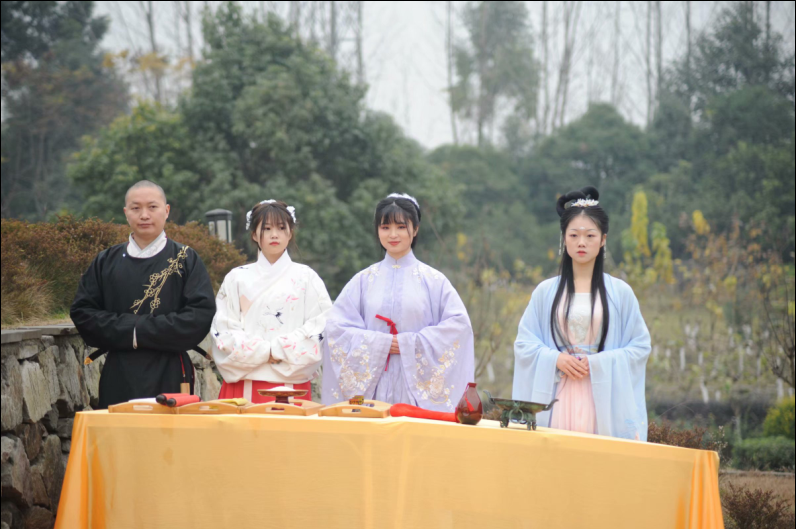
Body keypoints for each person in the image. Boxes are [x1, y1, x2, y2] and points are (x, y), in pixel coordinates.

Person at [512, 186, 651, 440]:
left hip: (603, 398)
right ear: (564, 238)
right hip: (557, 395)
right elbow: (524, 344)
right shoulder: (545, 292)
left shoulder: (620, 293)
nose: (582, 243)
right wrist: (554, 359)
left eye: (590, 235)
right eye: (574, 235)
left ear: (604, 239)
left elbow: (640, 347)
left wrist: (599, 363)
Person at [321, 193, 474, 411]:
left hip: (416, 390)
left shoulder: (435, 281)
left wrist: (408, 344)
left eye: (401, 227)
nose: (393, 234)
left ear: (416, 229)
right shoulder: (363, 280)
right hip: (372, 388)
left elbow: (459, 328)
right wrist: (379, 344)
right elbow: (336, 329)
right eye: (385, 227)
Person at [71, 180, 216, 409]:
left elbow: (200, 315)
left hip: (170, 368)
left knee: (169, 441)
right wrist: (134, 330)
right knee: (119, 440)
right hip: (119, 370)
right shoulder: (105, 261)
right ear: (126, 212)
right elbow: (83, 313)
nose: (144, 215)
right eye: (136, 208)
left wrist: (138, 330)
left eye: (152, 207)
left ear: (166, 211)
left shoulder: (186, 258)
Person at [210, 200, 332, 403]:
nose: (274, 234)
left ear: (290, 233)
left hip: (292, 386)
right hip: (243, 385)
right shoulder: (236, 278)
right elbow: (223, 330)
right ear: (254, 234)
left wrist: (276, 349)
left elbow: (321, 326)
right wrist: (266, 352)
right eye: (266, 229)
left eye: (281, 228)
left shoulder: (307, 278)